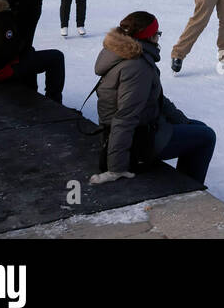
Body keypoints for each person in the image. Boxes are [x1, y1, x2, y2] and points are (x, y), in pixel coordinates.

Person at [92, 11, 217, 185]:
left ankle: (184, 182)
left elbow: (157, 98)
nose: (159, 37)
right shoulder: (137, 66)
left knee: (198, 127)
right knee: (206, 137)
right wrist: (116, 167)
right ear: (149, 37)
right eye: (157, 33)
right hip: (137, 142)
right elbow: (124, 117)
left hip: (143, 128)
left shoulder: (126, 54)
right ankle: (186, 189)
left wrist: (183, 121)